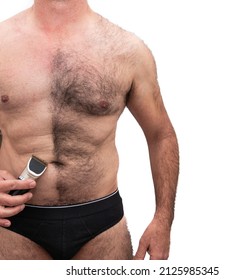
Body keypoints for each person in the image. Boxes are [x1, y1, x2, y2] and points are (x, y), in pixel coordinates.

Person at [0, 0, 179, 260]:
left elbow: (161, 135)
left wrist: (163, 221)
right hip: (15, 222)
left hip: (101, 226)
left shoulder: (127, 50)